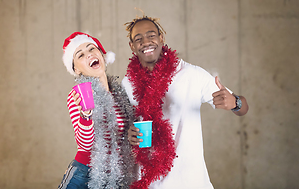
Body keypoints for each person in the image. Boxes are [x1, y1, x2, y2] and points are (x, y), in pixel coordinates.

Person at [121, 15, 249, 189]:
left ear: (161, 38)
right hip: (147, 182)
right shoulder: (128, 83)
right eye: (138, 39)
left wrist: (235, 103)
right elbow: (122, 129)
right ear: (132, 46)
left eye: (151, 35)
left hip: (189, 182)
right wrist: (130, 135)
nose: (146, 42)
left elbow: (243, 108)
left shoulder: (191, 74)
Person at [58, 32, 135, 189]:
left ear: (102, 55)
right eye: (80, 55)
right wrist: (85, 115)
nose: (89, 54)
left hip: (115, 176)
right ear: (77, 70)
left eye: (91, 49)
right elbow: (85, 145)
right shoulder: (78, 94)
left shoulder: (119, 93)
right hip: (85, 174)